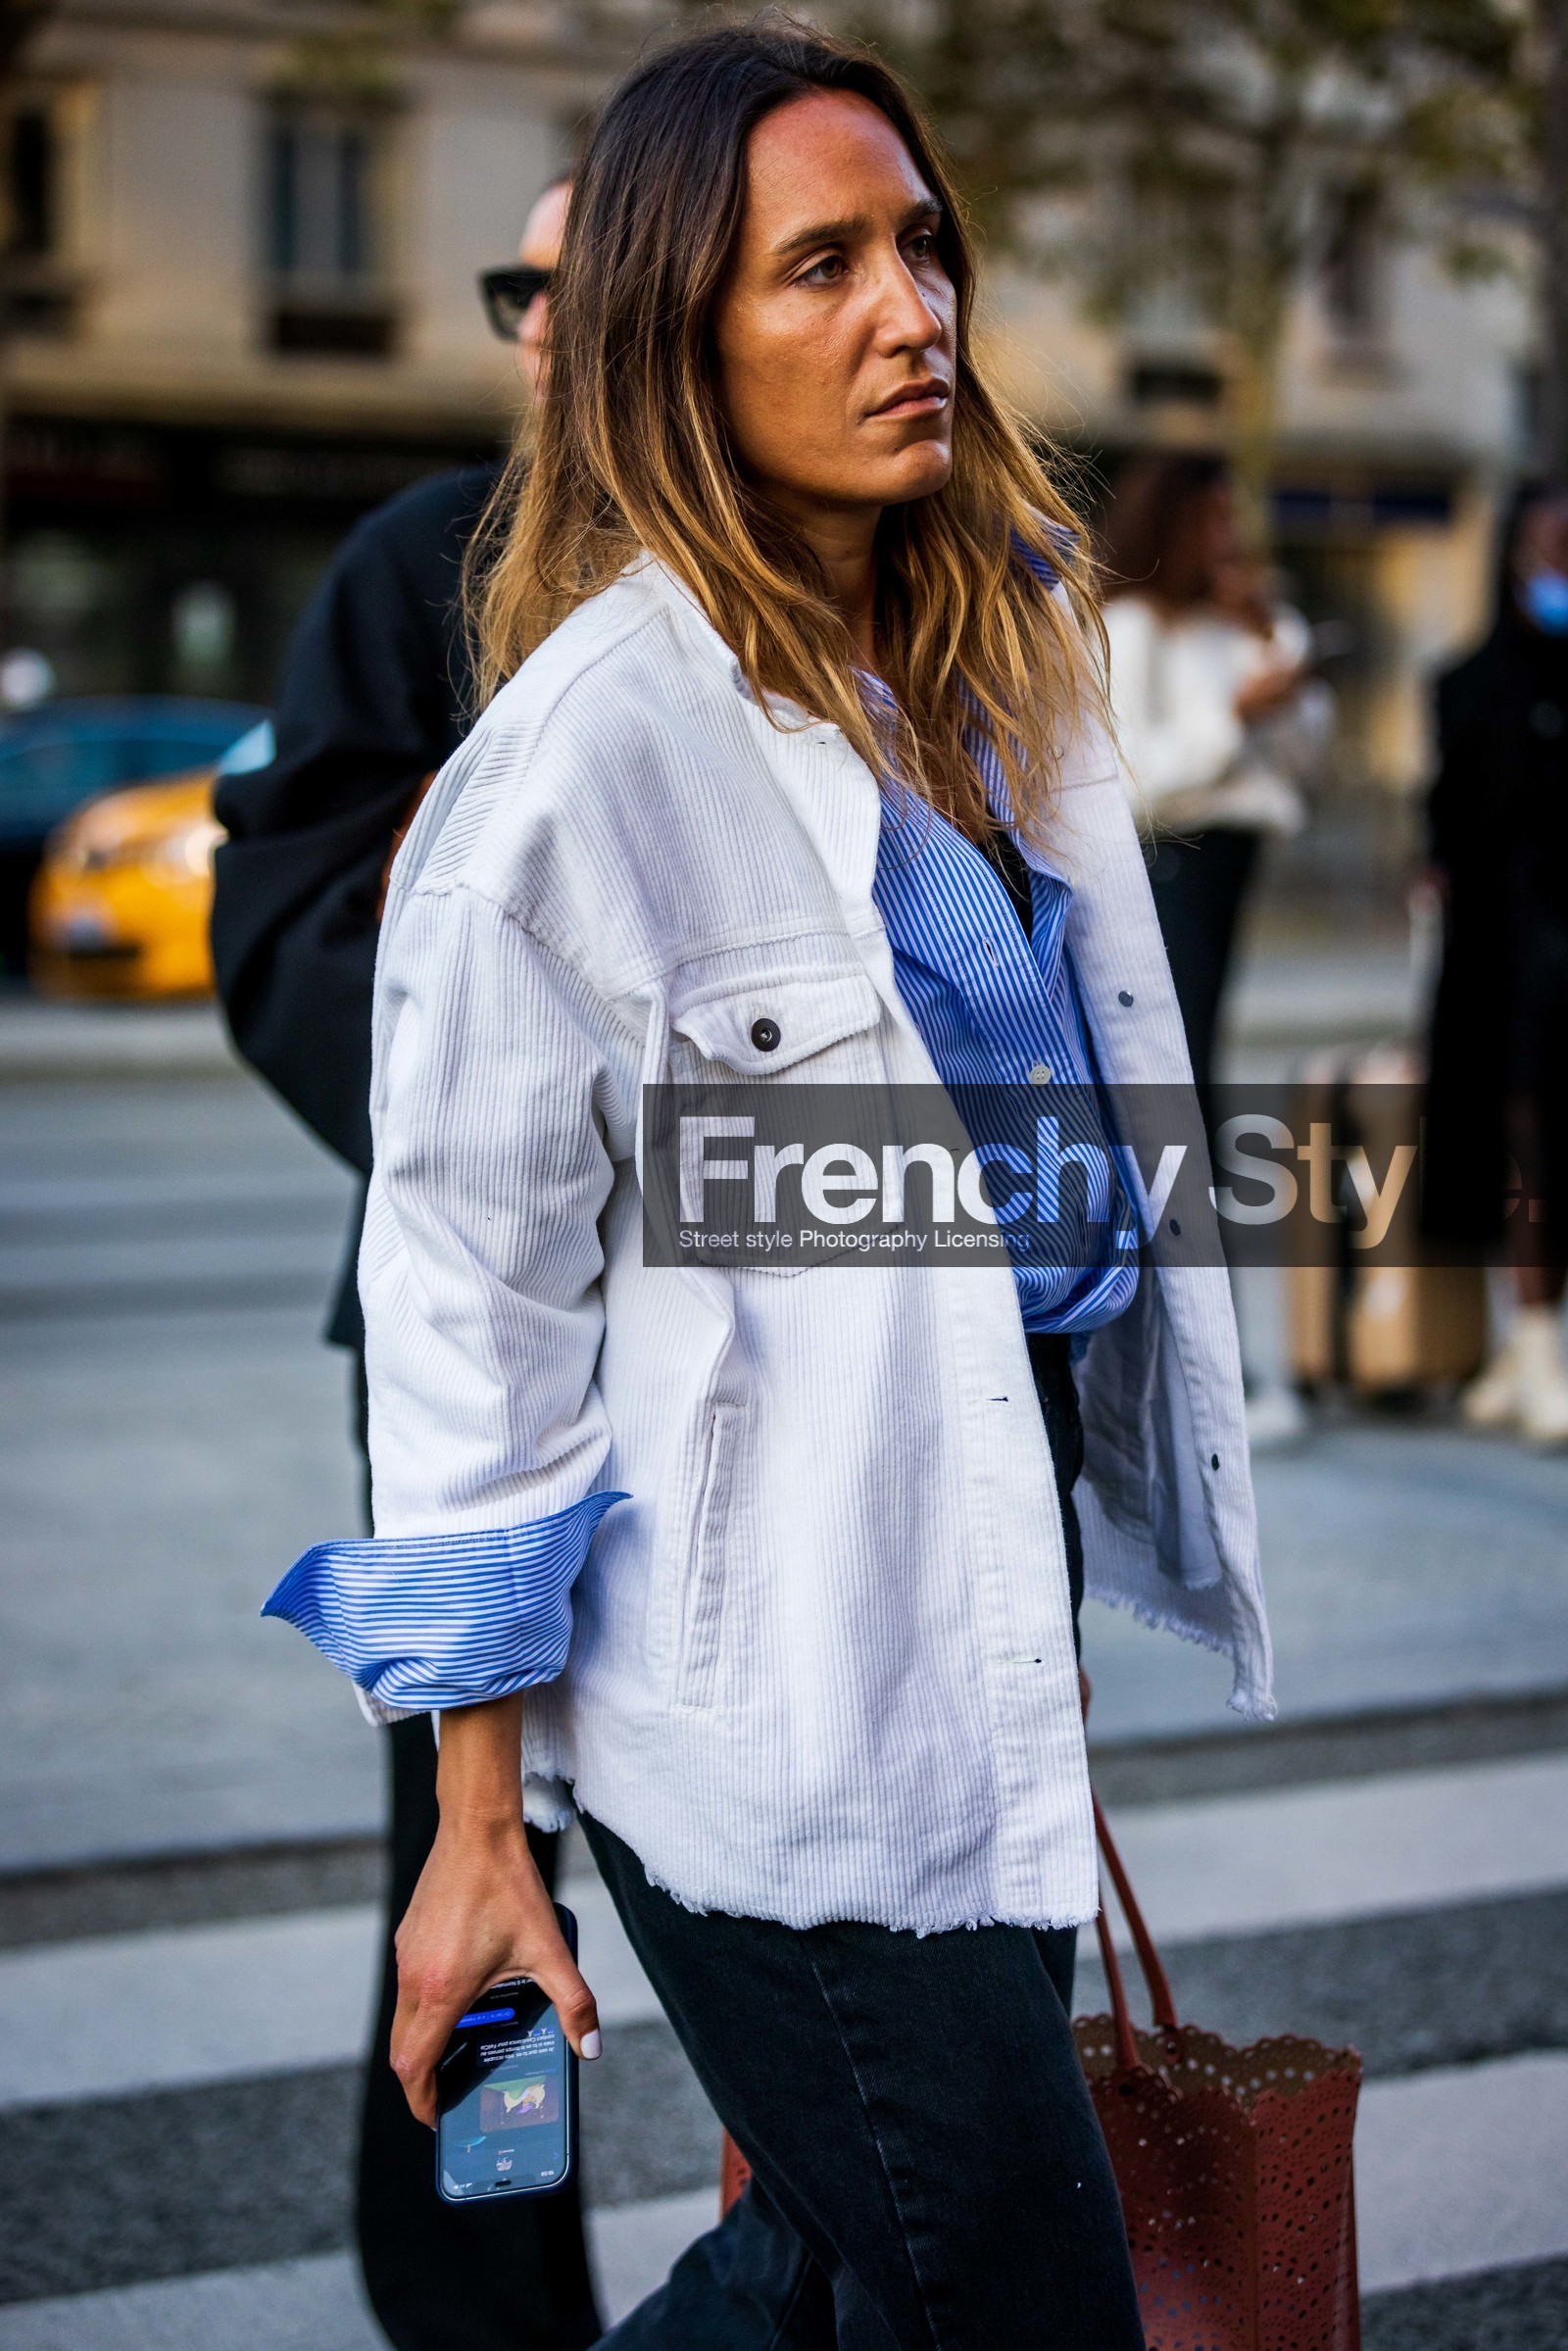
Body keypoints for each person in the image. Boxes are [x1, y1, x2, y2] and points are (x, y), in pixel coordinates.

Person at [263, 24, 1273, 2345]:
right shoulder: (584, 757)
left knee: (837, 2268)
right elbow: (467, 1299)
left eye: (919, 244)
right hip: (758, 1666)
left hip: (979, 1568)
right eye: (816, 265)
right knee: (1005, 2290)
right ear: (669, 339)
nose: (908, 309)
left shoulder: (995, 652)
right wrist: (473, 1822)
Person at [212, 181, 601, 2351]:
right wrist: (534, 1111)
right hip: (473, 1339)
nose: (543, 318)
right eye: (516, 284)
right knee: (477, 1874)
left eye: (585, 273)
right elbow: (280, 929)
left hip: (774, 1360)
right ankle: (490, 2315)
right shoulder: (418, 563)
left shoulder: (805, 561)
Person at [1099, 451, 1331, 1106]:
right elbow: (1128, 781)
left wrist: (1268, 636)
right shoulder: (1132, 627)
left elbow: (1306, 762)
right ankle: (1186, 1195)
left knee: (1205, 1040)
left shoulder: (1243, 624)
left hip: (1234, 858)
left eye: (1234, 518)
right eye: (1211, 519)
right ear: (1169, 525)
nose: (1228, 538)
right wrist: (1233, 717)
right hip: (1170, 859)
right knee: (1179, 1049)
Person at [1426, 481, 1568, 1445]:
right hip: (1506, 951)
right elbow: (1450, 821)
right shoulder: (1469, 682)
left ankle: (1536, 1344)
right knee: (1520, 1133)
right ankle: (1533, 1339)